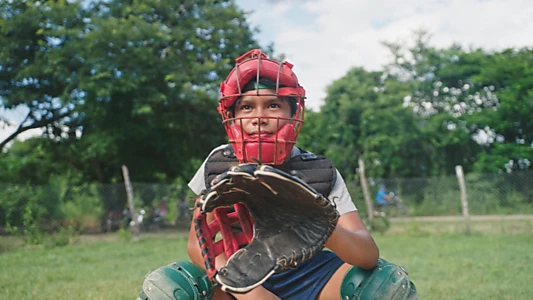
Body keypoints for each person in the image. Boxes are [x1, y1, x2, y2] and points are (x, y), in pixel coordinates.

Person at [137, 49, 416, 300]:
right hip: (240, 273)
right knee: (168, 288)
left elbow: (367, 255)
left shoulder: (317, 170)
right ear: (232, 117)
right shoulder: (219, 163)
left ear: (293, 113)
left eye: (273, 104)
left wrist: (320, 223)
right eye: (247, 107)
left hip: (309, 276)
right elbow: (197, 246)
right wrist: (251, 293)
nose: (259, 116)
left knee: (384, 287)